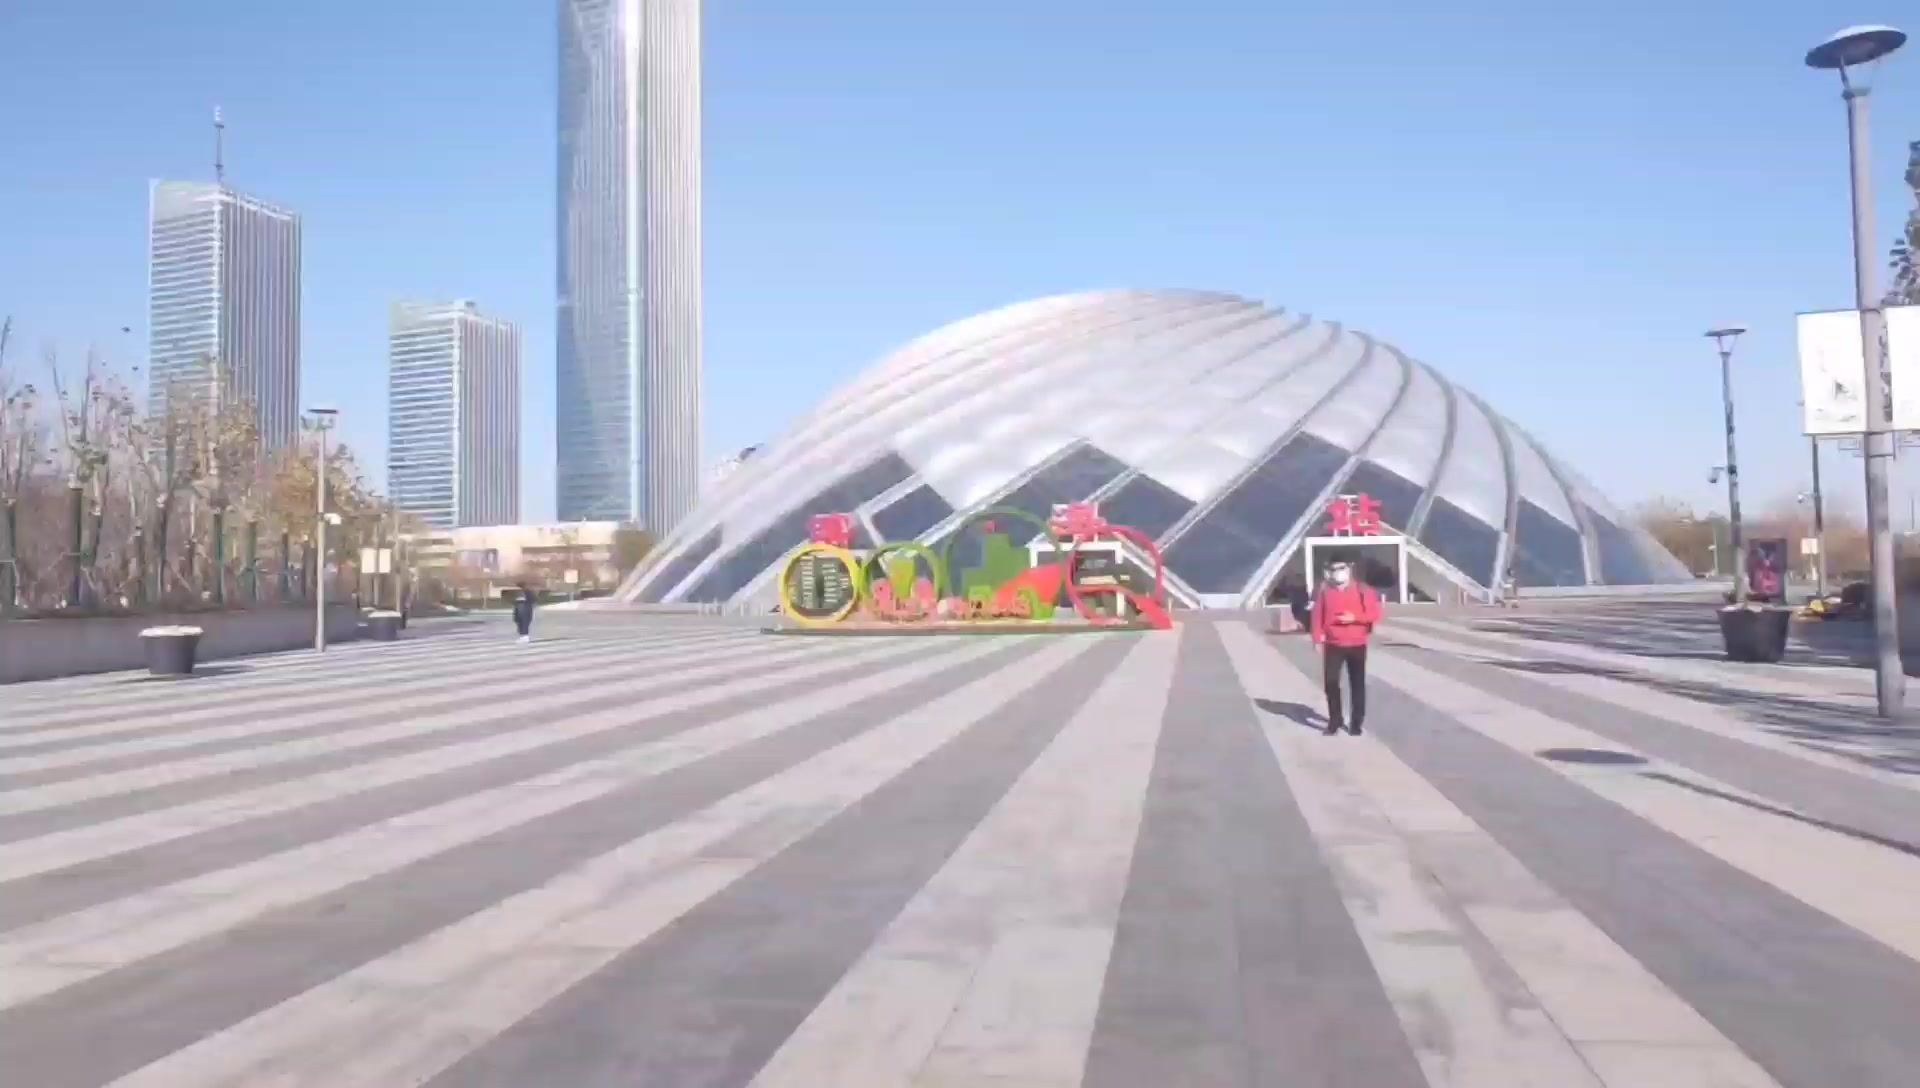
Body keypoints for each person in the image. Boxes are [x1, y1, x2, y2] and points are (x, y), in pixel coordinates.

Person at [1310, 559, 1383, 736]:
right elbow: (1317, 615)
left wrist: (1355, 618)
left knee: (1357, 684)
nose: (1337, 572)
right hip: (1333, 645)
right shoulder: (1324, 591)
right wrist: (1317, 639)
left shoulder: (1363, 590)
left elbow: (1375, 614)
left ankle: (1356, 723)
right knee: (1331, 682)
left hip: (1357, 644)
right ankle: (1335, 720)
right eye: (1333, 569)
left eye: (1341, 568)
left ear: (1349, 569)